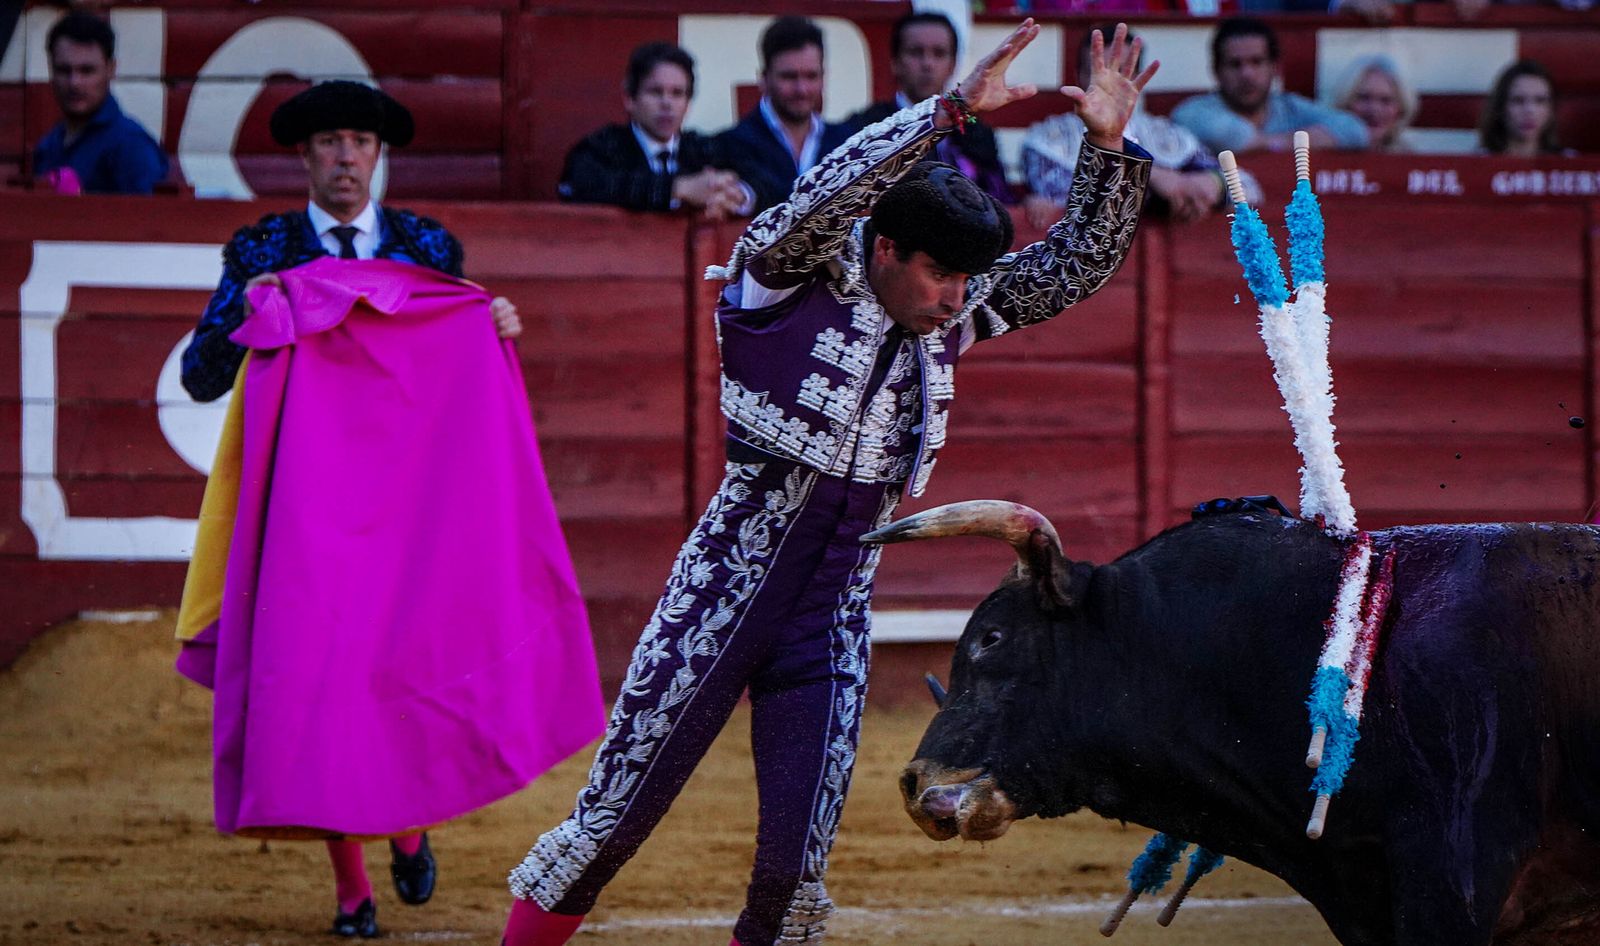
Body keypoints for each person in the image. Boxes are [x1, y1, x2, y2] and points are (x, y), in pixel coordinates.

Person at [499, 20, 1157, 946]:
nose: (956, 298)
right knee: (611, 822)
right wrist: (953, 109)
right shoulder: (783, 271)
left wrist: (1108, 148)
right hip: (723, 593)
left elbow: (1072, 267)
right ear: (886, 248)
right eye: (939, 274)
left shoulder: (947, 319)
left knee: (791, 873)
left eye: (967, 279)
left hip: (834, 614)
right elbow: (827, 194)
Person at [176, 80, 605, 939]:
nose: (345, 157)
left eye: (360, 143)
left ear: (379, 156)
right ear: (304, 157)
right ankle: (351, 889)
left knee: (393, 669)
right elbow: (201, 374)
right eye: (329, 142)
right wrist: (253, 314)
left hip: (407, 509)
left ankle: (405, 830)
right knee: (318, 677)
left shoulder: (425, 246)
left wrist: (496, 325)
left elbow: (454, 361)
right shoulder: (263, 248)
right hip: (308, 514)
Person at [1023, 26, 1260, 226]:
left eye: (1123, 70)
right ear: (1080, 76)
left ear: (1138, 76)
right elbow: (1070, 201)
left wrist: (1212, 183)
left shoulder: (1167, 135)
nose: (1111, 82)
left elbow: (1251, 189)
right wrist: (1152, 177)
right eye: (1100, 71)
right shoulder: (1047, 139)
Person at [559, 41, 753, 218]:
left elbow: (765, 180)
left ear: (688, 103)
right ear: (630, 99)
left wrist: (737, 195)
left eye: (677, 93)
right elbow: (582, 185)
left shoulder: (704, 148)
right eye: (655, 92)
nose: (667, 103)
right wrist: (678, 188)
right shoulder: (601, 147)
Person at [845, 11, 1013, 204]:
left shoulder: (976, 133)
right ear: (895, 62)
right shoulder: (866, 126)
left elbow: (998, 201)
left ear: (952, 64)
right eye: (916, 52)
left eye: (939, 53)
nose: (928, 64)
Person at [1171, 17, 1368, 155]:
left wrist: (1270, 143)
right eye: (1235, 64)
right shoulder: (1194, 111)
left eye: (1256, 62)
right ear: (1216, 70)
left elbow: (1355, 130)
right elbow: (1236, 138)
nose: (1246, 74)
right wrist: (1300, 142)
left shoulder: (1289, 106)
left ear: (1275, 68)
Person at [715, 16, 852, 213]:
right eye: (789, 77)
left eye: (811, 76)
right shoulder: (731, 145)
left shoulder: (845, 142)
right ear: (763, 78)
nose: (801, 89)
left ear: (824, 77)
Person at [31, 11, 168, 194]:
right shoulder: (48, 146)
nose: (74, 83)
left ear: (111, 70)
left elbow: (151, 220)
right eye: (64, 70)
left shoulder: (130, 146)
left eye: (87, 71)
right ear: (51, 71)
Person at [1325, 54, 1418, 153]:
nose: (1374, 109)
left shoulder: (1411, 160)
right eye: (1364, 98)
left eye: (1386, 100)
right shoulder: (1319, 158)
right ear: (1345, 103)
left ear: (1401, 109)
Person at [1478, 60, 1569, 157]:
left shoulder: (1569, 162)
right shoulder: (1476, 162)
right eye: (1518, 100)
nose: (1530, 110)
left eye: (1540, 100)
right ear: (1500, 107)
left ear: (1551, 108)